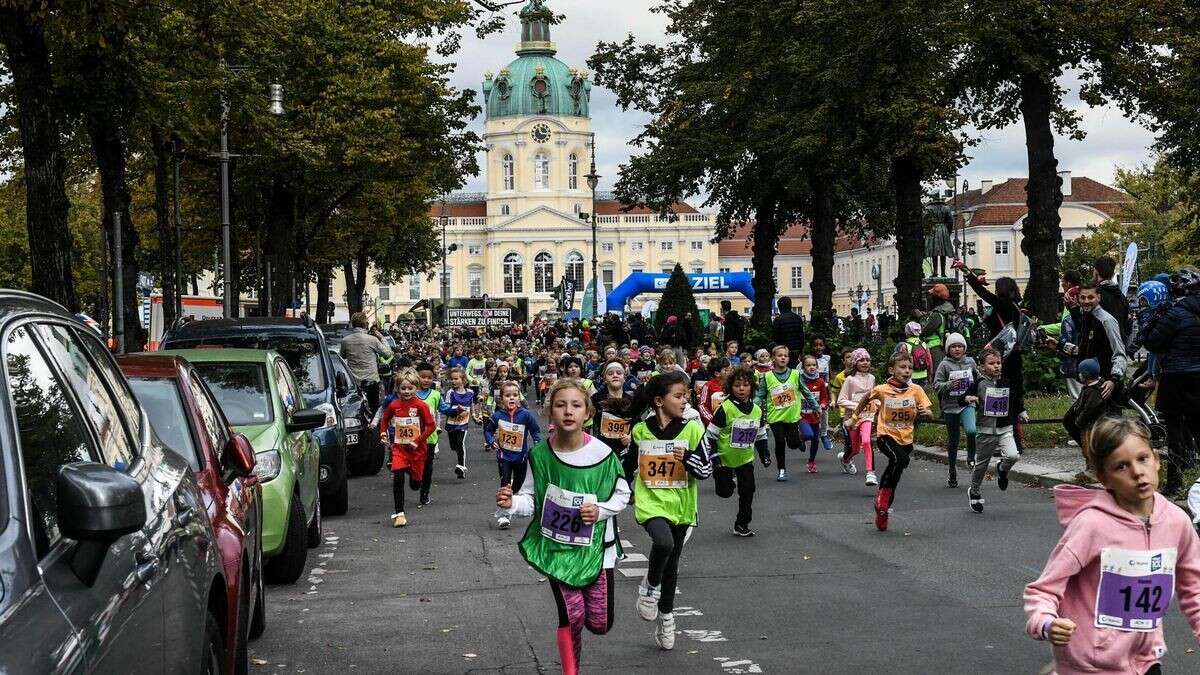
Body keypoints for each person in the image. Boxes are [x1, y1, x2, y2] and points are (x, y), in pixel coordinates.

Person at [1023, 417, 1200, 675]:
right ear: (1105, 479)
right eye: (1121, 466)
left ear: (1157, 460)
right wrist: (1046, 623)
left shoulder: (1177, 522)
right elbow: (1044, 589)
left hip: (1146, 661)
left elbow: (1194, 588)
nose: (1137, 472)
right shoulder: (1092, 525)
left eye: (1143, 459)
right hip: (1092, 666)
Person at [496, 379, 630, 675]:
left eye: (576, 405)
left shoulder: (604, 455)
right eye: (560, 405)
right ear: (549, 413)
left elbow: (623, 495)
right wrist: (511, 504)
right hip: (557, 549)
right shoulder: (540, 456)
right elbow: (532, 498)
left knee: (599, 622)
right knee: (571, 615)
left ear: (587, 414)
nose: (568, 411)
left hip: (597, 548)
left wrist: (600, 511)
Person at [629, 370, 712, 651]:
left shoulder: (693, 429)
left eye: (686, 395)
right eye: (678, 396)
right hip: (650, 501)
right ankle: (649, 587)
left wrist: (687, 458)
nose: (684, 401)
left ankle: (666, 616)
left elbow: (705, 470)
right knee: (662, 542)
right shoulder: (640, 431)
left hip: (682, 505)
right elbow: (627, 466)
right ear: (659, 400)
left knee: (673, 563)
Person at [852, 352, 933, 531]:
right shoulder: (882, 389)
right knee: (901, 460)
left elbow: (929, 413)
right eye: (902, 367)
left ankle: (882, 509)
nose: (907, 371)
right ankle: (882, 501)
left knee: (895, 472)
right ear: (891, 370)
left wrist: (925, 413)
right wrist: (854, 418)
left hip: (906, 439)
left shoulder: (916, 390)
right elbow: (866, 398)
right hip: (885, 436)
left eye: (910, 368)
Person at [1141, 267, 1200, 496]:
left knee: (1175, 432)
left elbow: (1154, 342)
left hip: (1176, 376)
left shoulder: (1175, 313)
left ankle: (1174, 483)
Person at [703, 365, 770, 536]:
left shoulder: (757, 410)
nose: (741, 389)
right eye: (737, 385)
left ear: (752, 387)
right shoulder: (725, 409)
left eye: (746, 385)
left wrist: (765, 455)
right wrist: (715, 458)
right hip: (724, 460)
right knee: (725, 493)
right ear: (730, 387)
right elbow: (710, 436)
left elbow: (761, 436)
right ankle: (726, 480)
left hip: (745, 459)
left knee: (748, 492)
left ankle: (742, 524)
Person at [1048, 281, 1128, 404]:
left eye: (1090, 297)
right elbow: (1084, 350)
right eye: (1083, 297)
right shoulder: (1087, 318)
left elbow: (1120, 353)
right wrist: (1059, 345)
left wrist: (1113, 380)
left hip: (1105, 387)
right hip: (1090, 386)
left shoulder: (1106, 321)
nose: (1086, 301)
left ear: (1099, 297)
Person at [378, 369, 436, 528]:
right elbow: (385, 420)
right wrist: (383, 433)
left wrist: (417, 441)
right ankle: (399, 514)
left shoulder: (421, 406)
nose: (407, 391)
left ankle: (413, 474)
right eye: (403, 388)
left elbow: (431, 426)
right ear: (397, 389)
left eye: (410, 388)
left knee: (415, 485)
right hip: (399, 449)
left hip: (417, 451)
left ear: (416, 388)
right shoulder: (394, 405)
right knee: (397, 478)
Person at [966, 347, 1019, 513]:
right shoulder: (978, 384)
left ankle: (1002, 469)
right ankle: (974, 492)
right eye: (991, 363)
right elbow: (963, 398)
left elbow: (1015, 399)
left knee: (1012, 455)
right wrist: (968, 398)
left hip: (1005, 428)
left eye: (998, 363)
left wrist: (1022, 411)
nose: (996, 366)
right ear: (982, 367)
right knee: (981, 465)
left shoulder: (1006, 381)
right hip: (985, 430)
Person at [755, 345, 819, 481]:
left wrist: (816, 406)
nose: (783, 358)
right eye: (780, 355)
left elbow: (806, 391)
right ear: (773, 358)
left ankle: (799, 441)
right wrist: (750, 407)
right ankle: (782, 470)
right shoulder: (766, 377)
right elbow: (760, 396)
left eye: (786, 355)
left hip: (792, 417)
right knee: (779, 442)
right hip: (775, 417)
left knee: (793, 444)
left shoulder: (796, 375)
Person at [485, 382, 543, 529]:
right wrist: (491, 441)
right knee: (505, 483)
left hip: (521, 458)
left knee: (517, 485)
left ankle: (510, 504)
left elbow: (535, 431)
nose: (511, 398)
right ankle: (503, 515)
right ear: (501, 399)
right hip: (504, 457)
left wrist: (537, 443)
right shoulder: (497, 415)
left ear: (519, 397)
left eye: (515, 395)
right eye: (507, 395)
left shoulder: (525, 415)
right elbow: (488, 430)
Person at [932, 333, 976, 488]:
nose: (957, 349)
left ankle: (971, 457)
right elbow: (936, 385)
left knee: (971, 430)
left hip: (966, 403)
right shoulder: (944, 365)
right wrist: (949, 385)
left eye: (960, 346)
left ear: (964, 348)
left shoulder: (970, 362)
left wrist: (976, 393)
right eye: (953, 347)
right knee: (954, 440)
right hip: (950, 406)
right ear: (948, 349)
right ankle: (952, 469)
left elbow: (977, 380)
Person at [340, 311, 394, 414]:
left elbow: (342, 356)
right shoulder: (372, 340)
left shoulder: (345, 340)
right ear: (365, 324)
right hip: (371, 380)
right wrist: (382, 338)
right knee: (375, 409)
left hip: (354, 380)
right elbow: (387, 354)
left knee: (354, 409)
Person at [1062, 358, 1121, 451]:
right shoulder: (1093, 387)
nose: (1079, 374)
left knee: (1090, 445)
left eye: (1080, 372)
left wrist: (1079, 422)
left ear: (1085, 375)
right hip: (1092, 424)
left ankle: (1092, 458)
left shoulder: (1093, 391)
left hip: (1092, 425)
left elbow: (1089, 408)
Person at [838, 348, 877, 485]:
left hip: (867, 416)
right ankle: (845, 459)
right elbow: (840, 400)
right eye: (861, 360)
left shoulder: (872, 378)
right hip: (852, 418)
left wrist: (877, 404)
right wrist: (857, 405)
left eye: (867, 360)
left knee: (866, 441)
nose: (865, 362)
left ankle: (870, 473)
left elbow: (874, 396)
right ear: (855, 363)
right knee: (854, 449)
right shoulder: (849, 380)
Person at [592, 360, 637, 459]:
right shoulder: (596, 398)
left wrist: (631, 437)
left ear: (624, 378)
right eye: (610, 373)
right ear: (605, 378)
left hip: (625, 452)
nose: (615, 375)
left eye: (619, 373)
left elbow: (637, 425)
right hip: (602, 450)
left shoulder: (631, 400)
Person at [414, 362, 442, 507]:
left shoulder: (436, 395)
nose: (426, 380)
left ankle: (425, 492)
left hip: (430, 437)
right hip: (413, 438)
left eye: (429, 377)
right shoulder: (410, 394)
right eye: (422, 377)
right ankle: (416, 480)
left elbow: (443, 408)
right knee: (415, 464)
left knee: (428, 465)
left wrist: (456, 410)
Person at [441, 367, 475, 479]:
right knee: (454, 446)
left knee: (460, 443)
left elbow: (471, 405)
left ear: (463, 380)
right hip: (451, 423)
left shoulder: (470, 392)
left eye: (456, 379)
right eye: (452, 379)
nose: (453, 381)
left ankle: (461, 467)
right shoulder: (450, 393)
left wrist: (474, 415)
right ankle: (459, 453)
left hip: (463, 424)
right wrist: (456, 411)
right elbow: (446, 408)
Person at [799, 355, 829, 474]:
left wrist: (822, 405)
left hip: (815, 416)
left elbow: (824, 398)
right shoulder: (799, 380)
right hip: (802, 416)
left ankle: (811, 462)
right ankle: (800, 439)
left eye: (814, 365)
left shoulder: (820, 382)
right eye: (808, 365)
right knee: (809, 435)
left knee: (816, 440)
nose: (811, 367)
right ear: (803, 367)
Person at [1094, 255, 1132, 342]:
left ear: (1096, 271)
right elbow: (1128, 323)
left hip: (1100, 348)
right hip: (1119, 346)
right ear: (1113, 274)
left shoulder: (1095, 296)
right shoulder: (1121, 297)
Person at [920, 283, 956, 373]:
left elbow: (925, 331)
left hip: (935, 348)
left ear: (935, 297)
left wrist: (921, 318)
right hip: (944, 346)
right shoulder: (948, 310)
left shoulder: (936, 314)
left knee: (937, 373)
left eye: (931, 296)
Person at [772, 296, 806, 368]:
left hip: (783, 351)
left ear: (780, 307)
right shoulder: (798, 318)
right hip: (796, 350)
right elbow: (801, 335)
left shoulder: (778, 319)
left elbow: (775, 337)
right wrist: (800, 350)